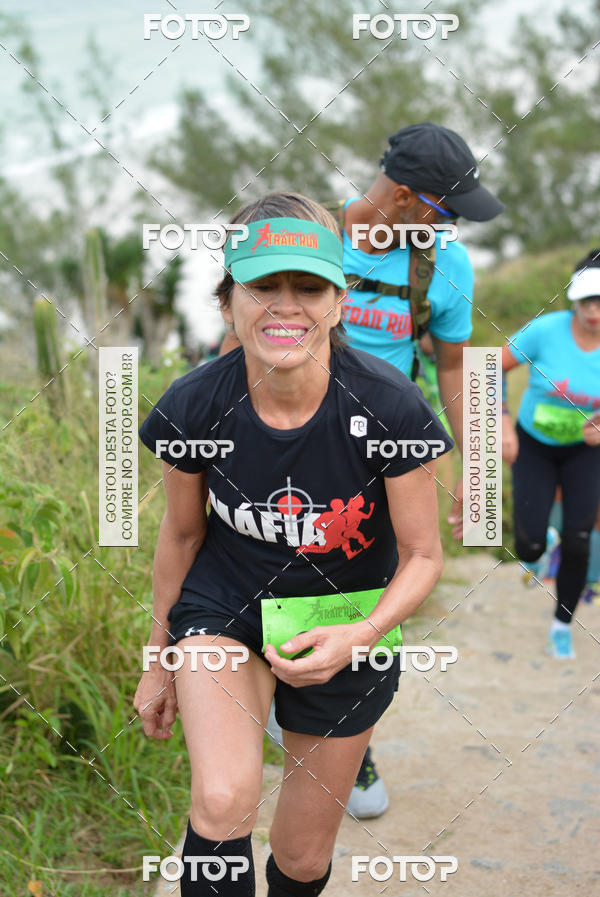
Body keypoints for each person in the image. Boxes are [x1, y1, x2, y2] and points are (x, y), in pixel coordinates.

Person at [134, 191, 453, 896]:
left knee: (303, 856)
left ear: (338, 302)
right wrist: (158, 661)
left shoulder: (390, 404)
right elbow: (183, 534)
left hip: (346, 616)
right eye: (262, 286)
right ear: (228, 303)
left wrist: (358, 633)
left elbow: (425, 555)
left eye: (308, 287)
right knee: (222, 801)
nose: (285, 306)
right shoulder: (193, 404)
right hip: (226, 607)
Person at [219, 123, 505, 817]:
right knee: (258, 564)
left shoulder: (444, 265)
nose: (452, 225)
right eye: (446, 209)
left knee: (364, 583)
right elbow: (239, 331)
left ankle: (343, 727)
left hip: (377, 450)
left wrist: (478, 465)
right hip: (275, 426)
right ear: (405, 197)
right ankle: (249, 700)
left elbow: (455, 370)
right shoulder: (308, 241)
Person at [502, 248, 600, 659]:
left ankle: (562, 625)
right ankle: (539, 548)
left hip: (585, 452)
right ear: (573, 298)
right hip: (534, 448)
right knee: (529, 547)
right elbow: (486, 367)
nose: (594, 312)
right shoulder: (545, 331)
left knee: (580, 541)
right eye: (587, 301)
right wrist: (502, 421)